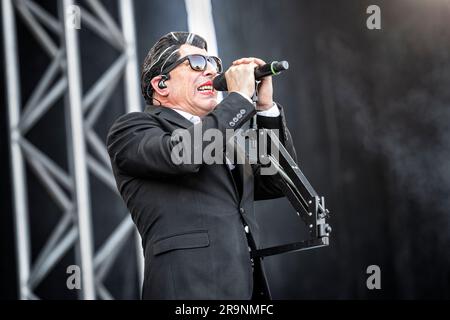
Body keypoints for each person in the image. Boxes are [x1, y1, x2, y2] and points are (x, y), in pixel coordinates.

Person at [107, 31, 297, 300]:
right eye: (197, 62)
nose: (210, 71)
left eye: (213, 64)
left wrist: (265, 109)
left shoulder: (225, 138)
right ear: (162, 85)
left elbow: (276, 181)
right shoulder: (132, 129)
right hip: (188, 290)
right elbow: (182, 155)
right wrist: (239, 101)